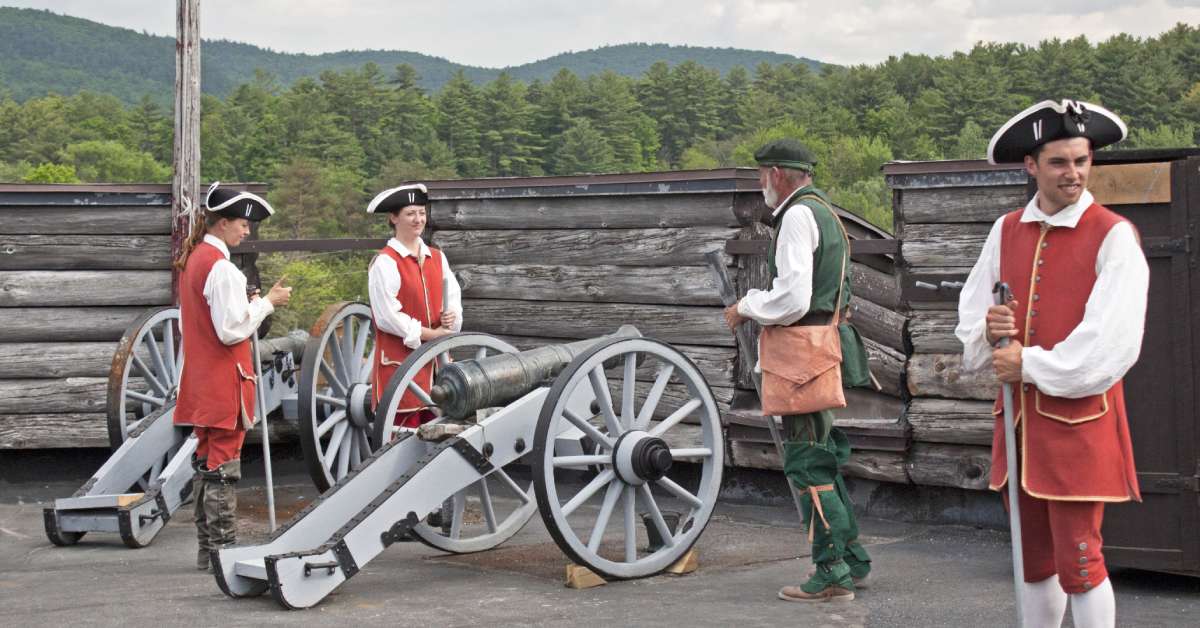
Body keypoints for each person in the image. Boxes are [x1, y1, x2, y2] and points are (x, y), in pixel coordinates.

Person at [956, 99, 1148, 627]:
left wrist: (1030, 365)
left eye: (1081, 161)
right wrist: (989, 332)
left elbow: (1111, 345)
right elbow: (972, 319)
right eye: (1059, 162)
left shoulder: (1113, 236)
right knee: (1033, 561)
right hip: (1018, 426)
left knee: (1081, 560)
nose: (1073, 173)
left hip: (1077, 426)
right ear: (1031, 166)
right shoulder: (1006, 229)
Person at [724, 139, 873, 602]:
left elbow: (792, 299)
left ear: (779, 174)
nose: (760, 184)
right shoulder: (825, 212)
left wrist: (747, 306)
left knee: (808, 462)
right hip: (821, 348)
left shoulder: (795, 217)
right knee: (822, 454)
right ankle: (851, 558)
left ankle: (831, 573)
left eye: (762, 175)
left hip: (802, 356)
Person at [174, 182, 292, 571]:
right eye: (242, 224)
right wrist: (267, 304)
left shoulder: (196, 259)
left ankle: (207, 552)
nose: (246, 232)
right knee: (223, 467)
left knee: (207, 463)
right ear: (223, 223)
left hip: (199, 379)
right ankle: (223, 552)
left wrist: (253, 303)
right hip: (225, 379)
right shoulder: (221, 268)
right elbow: (230, 330)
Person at [367, 183, 463, 437]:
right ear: (393, 217)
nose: (418, 219)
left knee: (441, 436)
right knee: (402, 440)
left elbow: (452, 296)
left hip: (437, 367)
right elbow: (387, 317)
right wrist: (431, 335)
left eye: (421, 212)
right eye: (410, 213)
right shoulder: (385, 262)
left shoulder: (436, 257)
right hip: (401, 367)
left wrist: (451, 315)